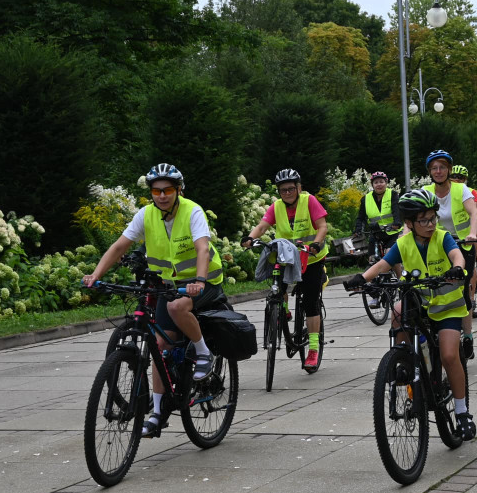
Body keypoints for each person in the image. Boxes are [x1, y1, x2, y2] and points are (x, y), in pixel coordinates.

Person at [83, 163, 225, 437]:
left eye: (168, 190)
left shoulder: (192, 211)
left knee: (176, 307)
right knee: (159, 345)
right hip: (169, 285)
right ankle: (158, 412)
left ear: (178, 190)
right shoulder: (146, 214)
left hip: (203, 283)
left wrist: (199, 280)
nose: (162, 195)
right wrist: (95, 275)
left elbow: (202, 248)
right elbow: (119, 246)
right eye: (156, 191)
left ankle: (203, 351)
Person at [344, 190, 475, 440]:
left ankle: (462, 413)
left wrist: (458, 268)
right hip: (420, 303)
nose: (430, 224)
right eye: (423, 220)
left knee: (449, 355)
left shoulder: (443, 237)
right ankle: (403, 361)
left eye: (432, 218)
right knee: (398, 313)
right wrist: (362, 278)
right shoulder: (403, 244)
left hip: (447, 307)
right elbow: (383, 264)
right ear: (409, 224)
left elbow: (456, 254)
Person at [242, 169, 329, 372]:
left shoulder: (310, 201)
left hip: (312, 257)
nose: (287, 193)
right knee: (277, 286)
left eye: (291, 188)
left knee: (310, 302)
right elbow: (262, 226)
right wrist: (249, 237)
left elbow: (322, 226)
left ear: (298, 188)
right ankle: (284, 311)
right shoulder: (277, 206)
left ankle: (313, 350)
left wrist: (316, 243)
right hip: (288, 257)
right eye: (283, 190)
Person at [422, 150, 477, 359]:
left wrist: (473, 233)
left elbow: (474, 213)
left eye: (442, 167)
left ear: (448, 169)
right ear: (430, 171)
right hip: (435, 244)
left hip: (462, 244)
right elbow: (410, 222)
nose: (438, 171)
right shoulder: (426, 191)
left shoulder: (460, 189)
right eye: (434, 168)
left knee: (461, 292)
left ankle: (467, 336)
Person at [354, 171, 401, 305]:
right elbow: (361, 217)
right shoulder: (366, 199)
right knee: (372, 260)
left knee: (390, 254)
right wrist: (358, 230)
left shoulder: (392, 194)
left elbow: (397, 211)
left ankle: (401, 282)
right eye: (376, 182)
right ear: (372, 185)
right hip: (376, 234)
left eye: (381, 182)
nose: (379, 184)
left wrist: (397, 223)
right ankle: (374, 294)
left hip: (392, 233)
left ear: (386, 183)